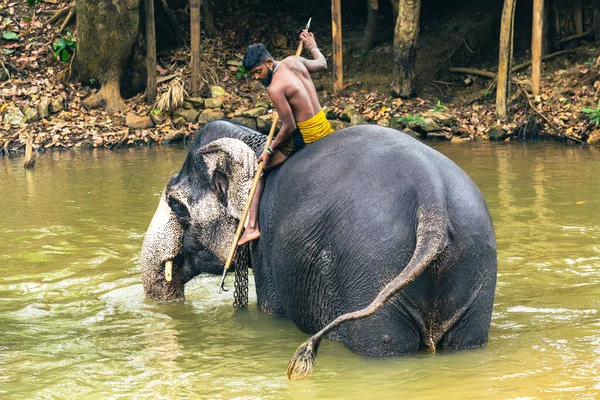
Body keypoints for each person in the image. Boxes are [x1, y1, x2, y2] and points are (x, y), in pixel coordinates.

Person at [237, 31, 334, 245]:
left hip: (306, 137)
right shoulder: (294, 61)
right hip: (324, 127)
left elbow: (289, 126)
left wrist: (269, 150)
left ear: (269, 63)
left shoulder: (274, 88)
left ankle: (252, 227)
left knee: (259, 170)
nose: (256, 77)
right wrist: (312, 45)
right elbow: (322, 63)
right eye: (253, 74)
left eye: (258, 72)